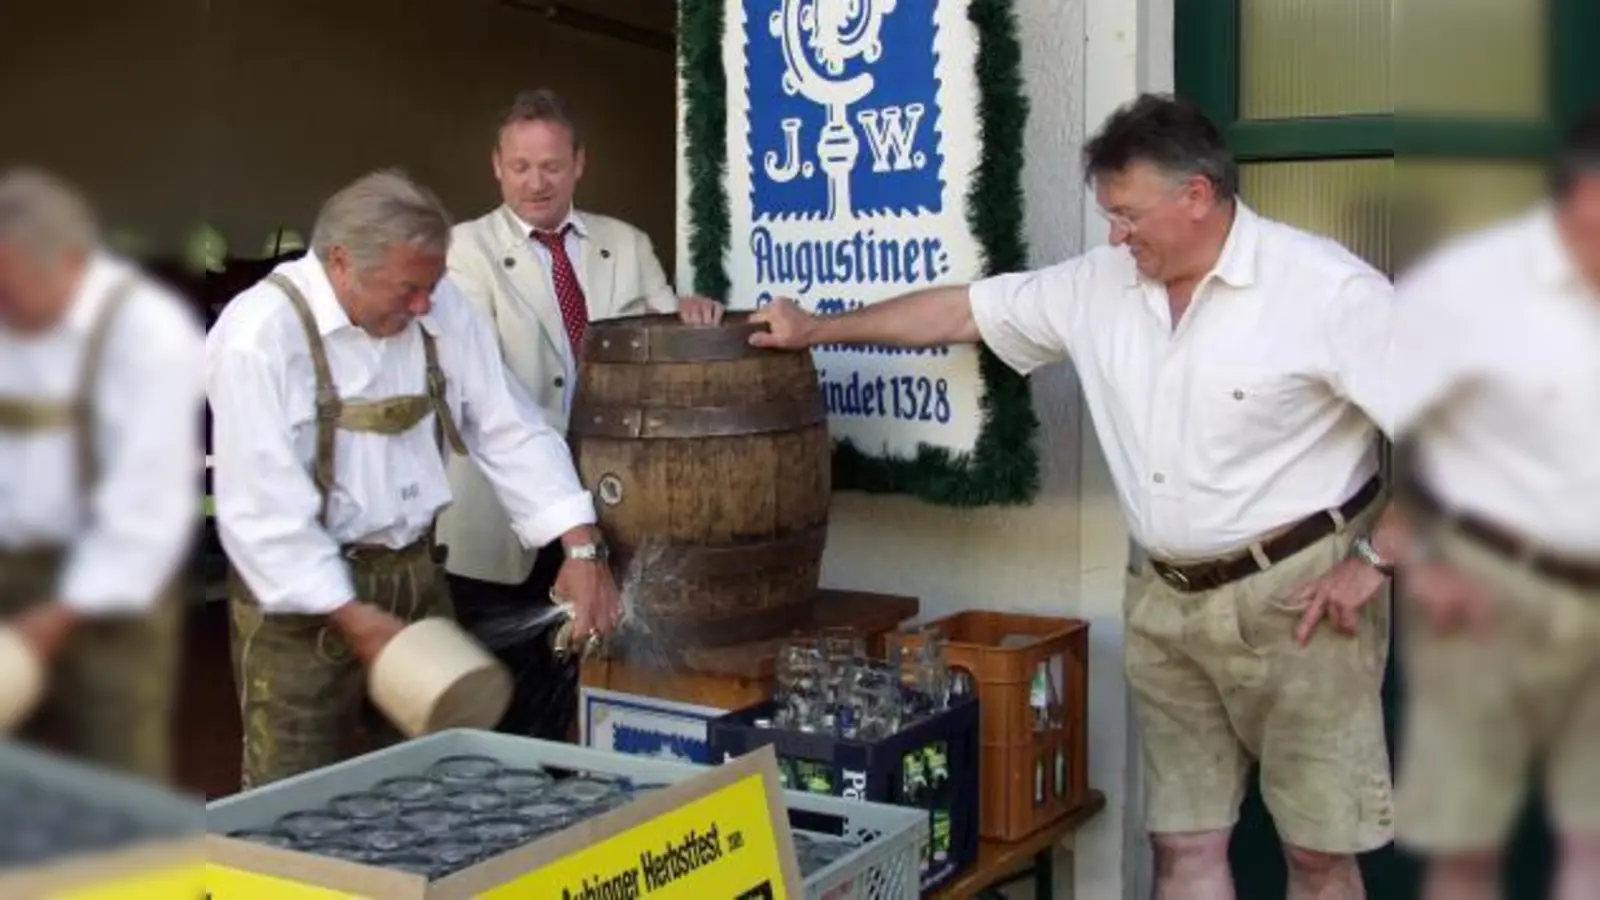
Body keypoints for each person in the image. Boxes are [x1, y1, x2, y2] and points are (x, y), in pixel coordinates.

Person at [751, 93, 1400, 900]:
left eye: (1128, 215)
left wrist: (1374, 559)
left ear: (1197, 196)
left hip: (1297, 603)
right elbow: (962, 312)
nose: (1115, 236)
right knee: (1182, 843)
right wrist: (815, 330)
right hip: (1165, 600)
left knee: (1318, 854)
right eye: (1109, 215)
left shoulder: (1326, 290)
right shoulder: (1100, 284)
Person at [207, 169, 621, 788]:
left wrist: (579, 544)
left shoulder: (439, 304)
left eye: (432, 285)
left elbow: (508, 425)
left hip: (417, 580)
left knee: (436, 785)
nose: (426, 305)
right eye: (409, 289)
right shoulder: (260, 335)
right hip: (299, 609)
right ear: (341, 263)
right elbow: (261, 512)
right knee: (290, 797)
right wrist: (353, 616)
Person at [436, 88, 722, 740]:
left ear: (580, 164)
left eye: (551, 166)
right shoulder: (463, 252)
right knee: (502, 709)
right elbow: (485, 390)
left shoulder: (627, 244)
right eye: (520, 166)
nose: (536, 182)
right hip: (502, 519)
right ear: (496, 166)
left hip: (613, 505)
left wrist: (687, 318)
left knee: (594, 692)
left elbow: (661, 348)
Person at [1386, 106, 1600, 900]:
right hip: (1487, 589)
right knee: (1465, 846)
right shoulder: (1469, 286)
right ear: (1581, 196)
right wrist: (1417, 559)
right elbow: (1373, 422)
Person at [0, 168, 203, 781]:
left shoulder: (148, 331)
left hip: (117, 594)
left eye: (11, 290)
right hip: (9, 570)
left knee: (122, 782)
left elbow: (149, 508)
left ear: (70, 265)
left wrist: (52, 621)